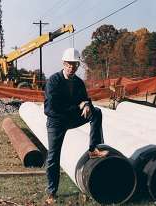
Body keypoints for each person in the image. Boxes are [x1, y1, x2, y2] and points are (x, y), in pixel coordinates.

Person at [44, 48, 109, 204]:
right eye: (69, 64)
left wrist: (86, 104)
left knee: (96, 112)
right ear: (63, 63)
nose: (72, 67)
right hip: (56, 121)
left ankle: (93, 149)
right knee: (53, 157)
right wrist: (78, 106)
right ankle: (52, 192)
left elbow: (84, 99)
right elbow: (51, 109)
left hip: (71, 117)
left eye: (75, 64)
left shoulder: (78, 82)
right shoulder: (53, 81)